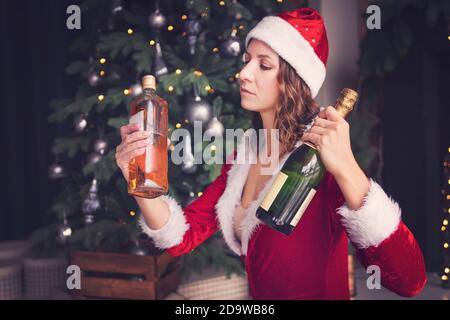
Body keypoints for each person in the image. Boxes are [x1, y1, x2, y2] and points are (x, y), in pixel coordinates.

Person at [115, 7, 426, 299]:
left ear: (295, 81)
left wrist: (346, 168)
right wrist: (138, 177)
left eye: (263, 65)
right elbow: (182, 236)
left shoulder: (319, 159)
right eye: (247, 60)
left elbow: (409, 280)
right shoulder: (245, 154)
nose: (244, 74)